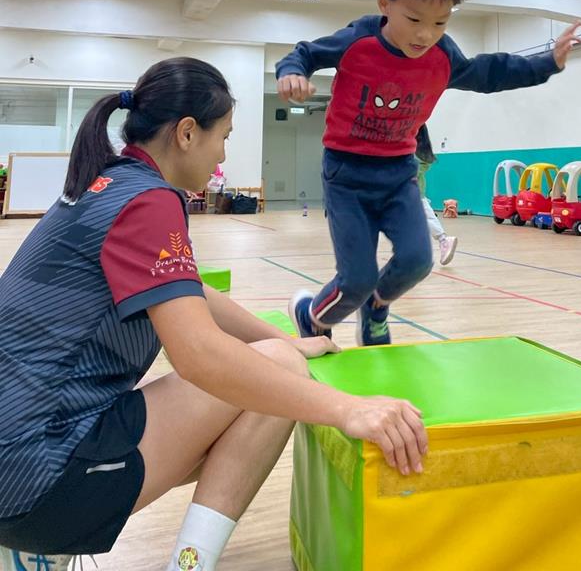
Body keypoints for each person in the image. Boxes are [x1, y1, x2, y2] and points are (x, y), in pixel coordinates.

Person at [0, 58, 426, 571]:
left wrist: (284, 339)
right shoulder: (150, 201)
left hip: (16, 455)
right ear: (186, 133)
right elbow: (200, 356)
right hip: (38, 477)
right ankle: (185, 564)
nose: (223, 152)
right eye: (223, 137)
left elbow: (191, 290)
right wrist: (347, 408)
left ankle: (32, 545)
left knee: (276, 362)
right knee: (277, 376)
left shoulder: (110, 183)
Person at [277, 0, 581, 347]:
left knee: (418, 260)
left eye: (440, 22)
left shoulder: (442, 54)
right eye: (415, 19)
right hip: (346, 173)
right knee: (356, 279)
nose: (425, 34)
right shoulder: (359, 40)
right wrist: (292, 72)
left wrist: (547, 62)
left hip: (398, 173)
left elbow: (486, 73)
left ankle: (378, 308)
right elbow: (305, 53)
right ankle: (311, 317)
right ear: (385, 3)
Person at [415, 124, 457, 266]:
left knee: (423, 217)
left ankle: (443, 241)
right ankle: (442, 241)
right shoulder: (422, 152)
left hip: (411, 191)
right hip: (415, 191)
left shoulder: (413, 153)